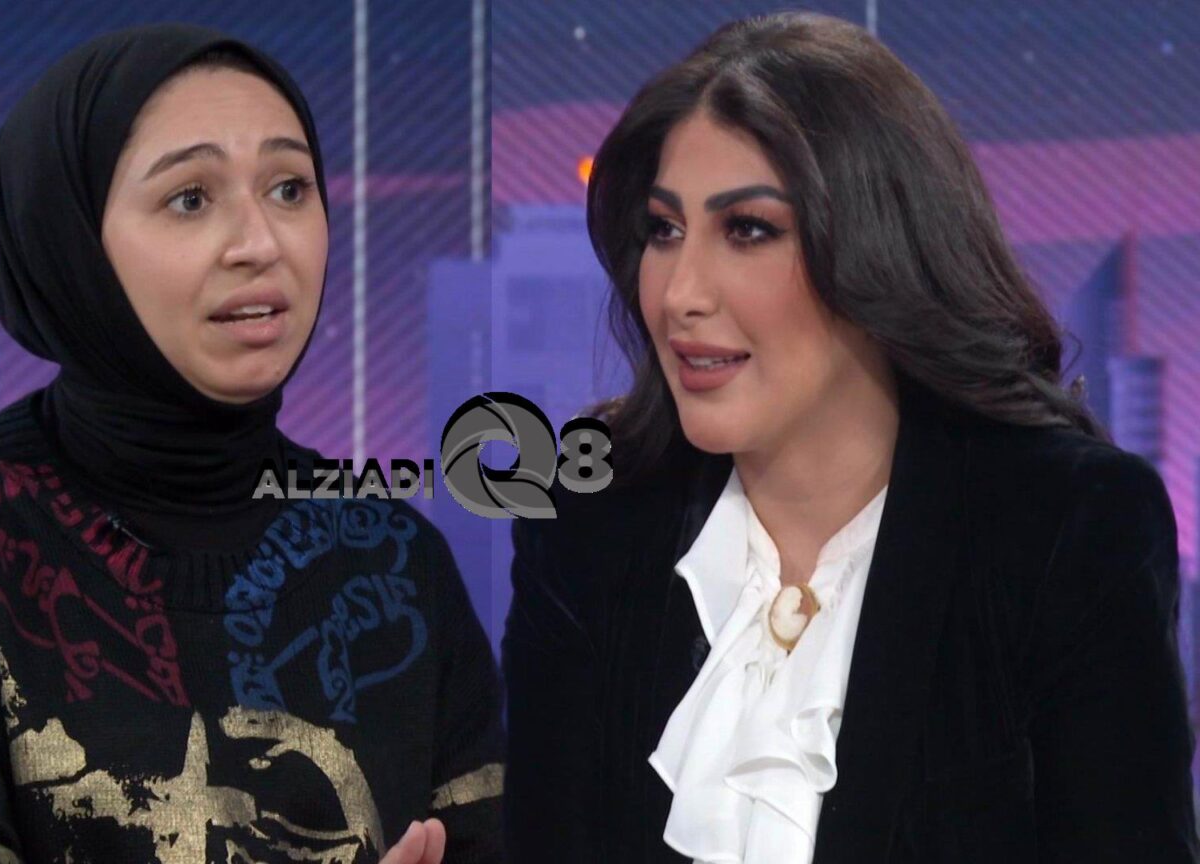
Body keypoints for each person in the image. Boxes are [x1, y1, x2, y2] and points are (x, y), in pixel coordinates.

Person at [0, 23, 503, 864]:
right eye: (191, 198)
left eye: (288, 188)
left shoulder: (393, 552)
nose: (261, 244)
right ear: (69, 242)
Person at [501, 11, 1196, 863]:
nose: (680, 293)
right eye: (663, 230)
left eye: (747, 230)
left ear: (875, 248)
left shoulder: (1065, 529)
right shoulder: (589, 524)